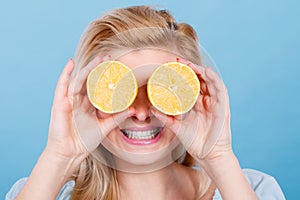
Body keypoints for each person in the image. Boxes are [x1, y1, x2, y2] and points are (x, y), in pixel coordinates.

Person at [6, 5, 285, 200]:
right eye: (121, 90)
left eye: (159, 89)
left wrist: (219, 159)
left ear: (194, 95)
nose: (141, 113)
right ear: (88, 98)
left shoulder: (249, 189)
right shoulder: (44, 191)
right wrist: (59, 157)